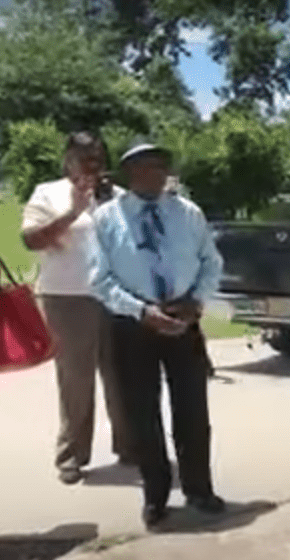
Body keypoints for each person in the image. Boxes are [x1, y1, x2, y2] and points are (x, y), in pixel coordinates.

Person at [89, 141, 226, 530]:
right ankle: (156, 495)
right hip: (132, 325)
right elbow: (99, 279)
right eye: (146, 167)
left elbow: (211, 263)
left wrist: (196, 302)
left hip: (183, 320)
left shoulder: (188, 214)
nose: (155, 174)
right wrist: (140, 311)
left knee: (193, 410)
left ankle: (199, 488)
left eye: (161, 167)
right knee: (141, 415)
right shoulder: (107, 218)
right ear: (130, 174)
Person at [21, 131, 133, 484]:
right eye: (85, 157)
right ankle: (72, 455)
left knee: (122, 377)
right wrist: (72, 212)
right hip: (66, 297)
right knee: (75, 380)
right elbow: (30, 240)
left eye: (98, 157)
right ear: (68, 160)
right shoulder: (47, 192)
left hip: (115, 298)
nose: (93, 165)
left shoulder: (117, 197)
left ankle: (131, 447)